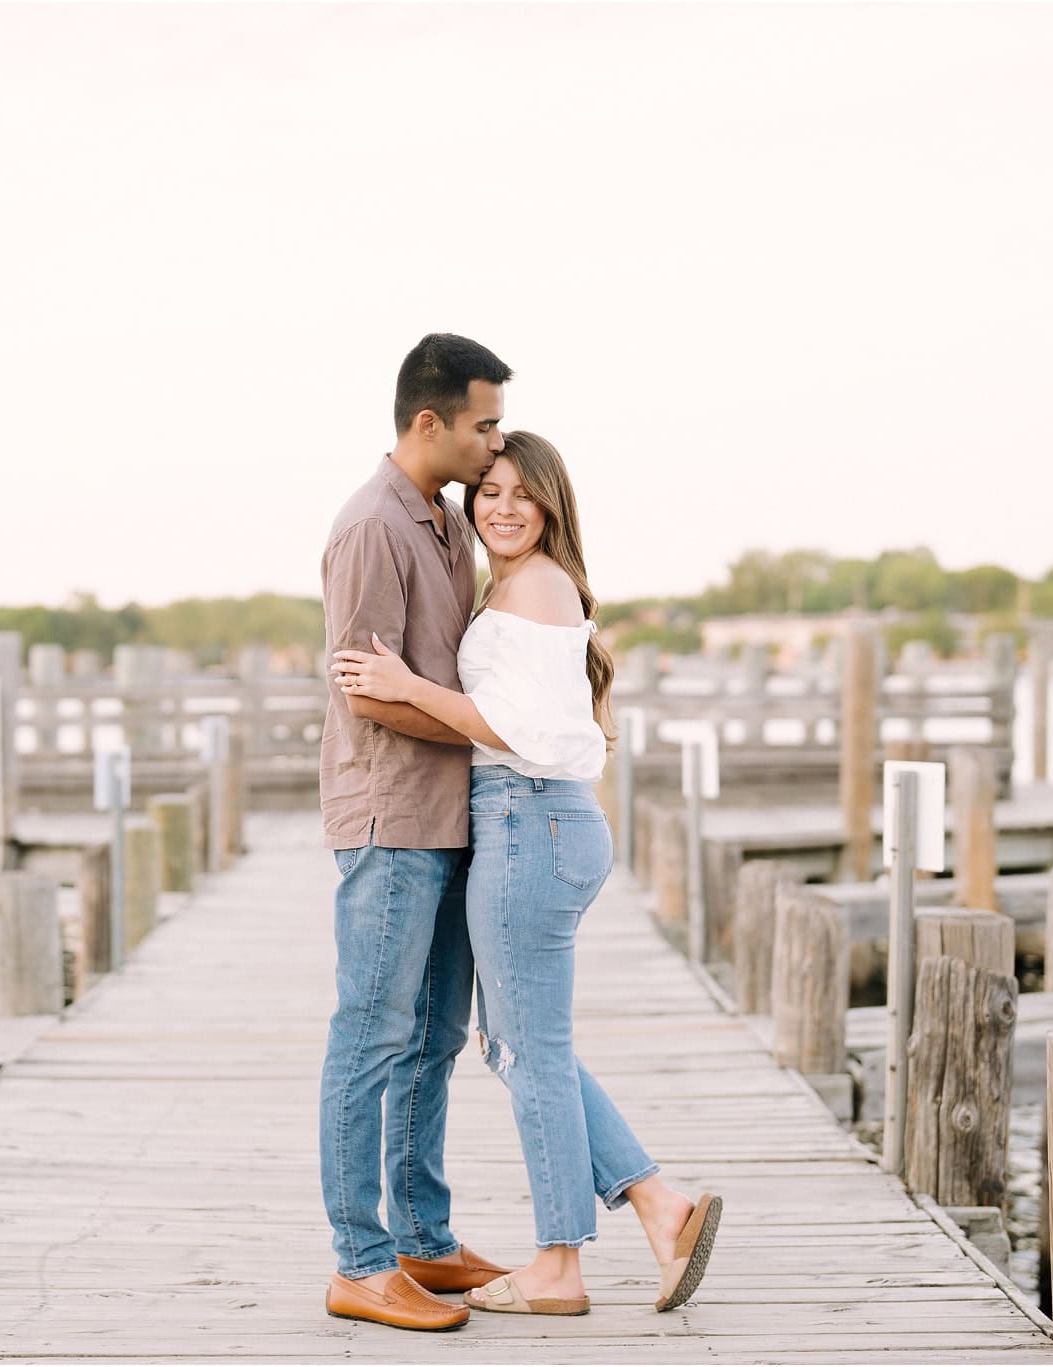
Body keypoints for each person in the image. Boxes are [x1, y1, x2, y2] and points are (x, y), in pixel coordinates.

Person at [331, 431, 724, 1316]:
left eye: (522, 494)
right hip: (535, 824)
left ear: (552, 505)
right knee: (521, 1044)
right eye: (490, 490)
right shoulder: (514, 583)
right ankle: (661, 1205)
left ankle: (558, 1265)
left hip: (528, 817)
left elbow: (525, 731)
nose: (501, 506)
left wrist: (405, 682)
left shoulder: (539, 585)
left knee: (527, 1049)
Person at [316, 333, 514, 1332]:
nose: (497, 441)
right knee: (370, 1037)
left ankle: (421, 1242)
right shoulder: (370, 526)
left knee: (432, 1037)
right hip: (389, 817)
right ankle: (357, 1259)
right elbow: (364, 691)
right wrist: (485, 724)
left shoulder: (444, 519)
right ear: (428, 421)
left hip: (451, 817)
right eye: (484, 423)